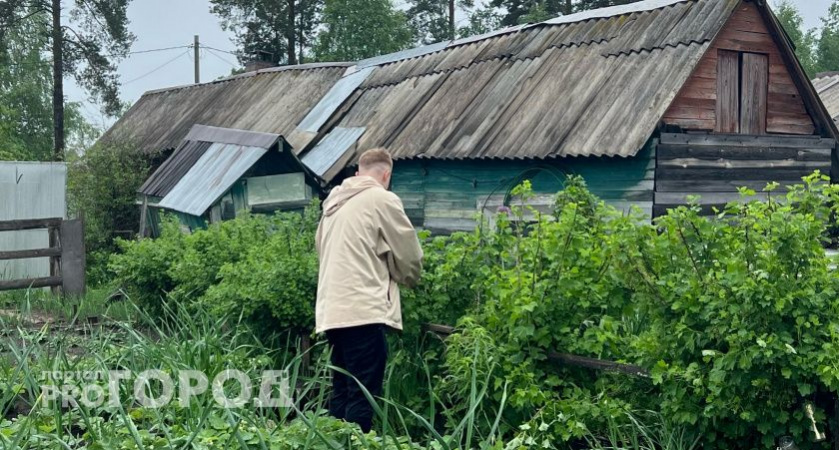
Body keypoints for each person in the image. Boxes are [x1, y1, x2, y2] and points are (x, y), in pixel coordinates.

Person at [314, 148, 424, 433]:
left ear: (357, 174)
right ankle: (357, 441)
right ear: (386, 175)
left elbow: (321, 249)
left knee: (342, 388)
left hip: (331, 311)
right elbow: (409, 253)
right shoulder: (381, 199)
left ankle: (332, 440)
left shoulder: (333, 205)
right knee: (363, 393)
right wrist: (408, 278)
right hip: (363, 309)